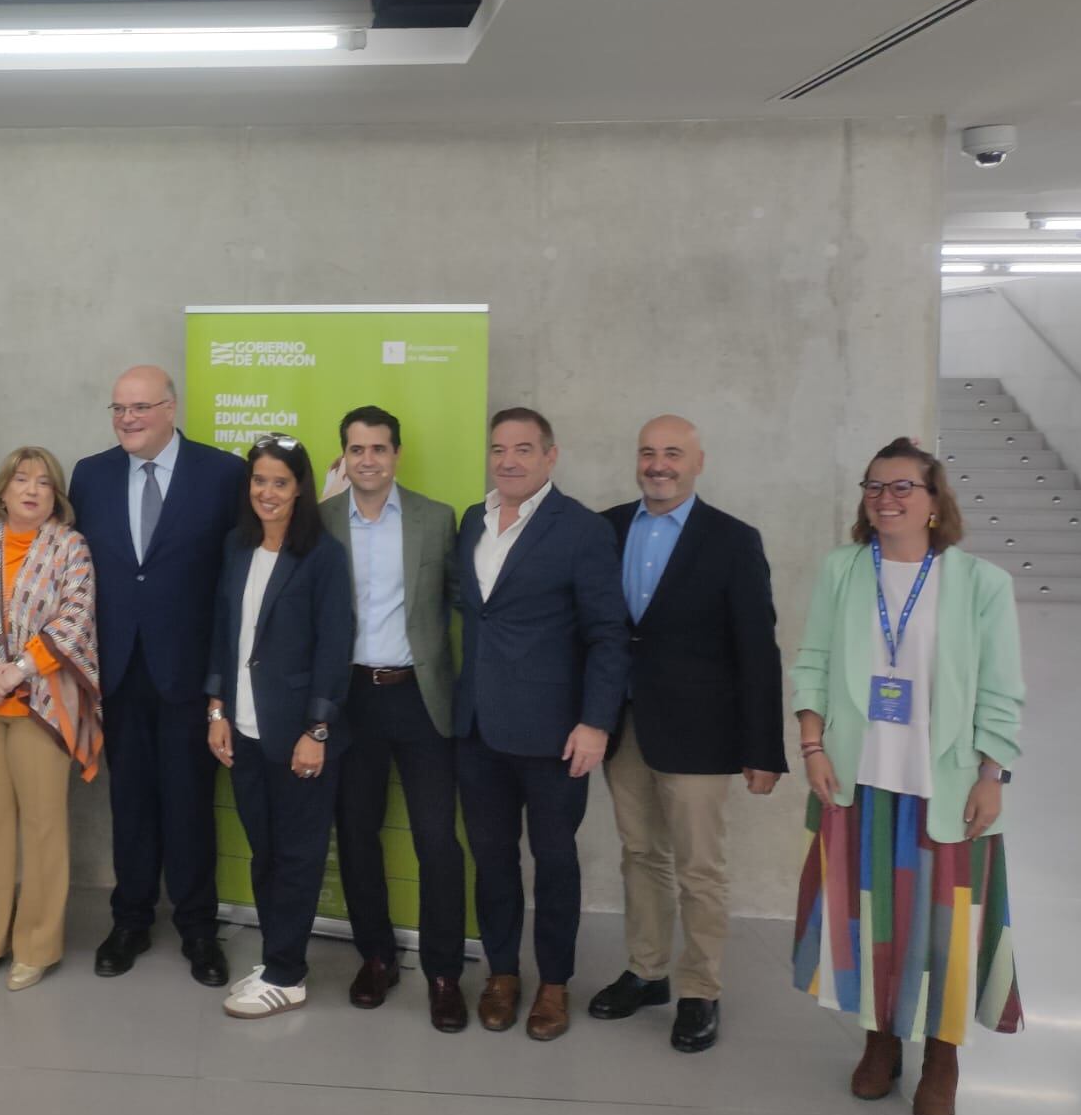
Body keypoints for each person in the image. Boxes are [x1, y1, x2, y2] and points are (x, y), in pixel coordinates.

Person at [790, 437, 1023, 1115]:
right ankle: (880, 1040)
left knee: (948, 930)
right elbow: (812, 661)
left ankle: (942, 1055)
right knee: (871, 923)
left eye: (902, 487)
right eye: (874, 486)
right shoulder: (842, 570)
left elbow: (1001, 689)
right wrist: (812, 745)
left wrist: (993, 774)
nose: (885, 499)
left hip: (945, 787)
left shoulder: (980, 583)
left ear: (933, 502)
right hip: (858, 781)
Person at [588, 415, 786, 1054]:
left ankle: (700, 988)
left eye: (673, 453)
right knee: (640, 853)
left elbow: (758, 649)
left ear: (698, 462)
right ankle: (647, 972)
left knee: (699, 867)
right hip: (624, 725)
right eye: (648, 452)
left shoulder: (732, 540)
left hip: (700, 732)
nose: (658, 464)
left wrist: (763, 747)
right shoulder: (605, 528)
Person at [452, 407, 629, 1042]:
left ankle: (555, 982)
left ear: (550, 456)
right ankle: (503, 972)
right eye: (499, 449)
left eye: (524, 449)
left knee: (554, 861)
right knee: (492, 857)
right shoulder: (472, 520)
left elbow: (608, 635)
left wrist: (595, 722)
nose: (509, 461)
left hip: (555, 734)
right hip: (477, 727)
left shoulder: (581, 529)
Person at [69, 365, 245, 988]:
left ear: (171, 408)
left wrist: (221, 683)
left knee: (190, 804)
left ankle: (198, 928)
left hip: (189, 674)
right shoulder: (90, 475)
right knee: (131, 802)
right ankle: (131, 920)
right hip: (117, 671)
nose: (128, 419)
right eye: (119, 408)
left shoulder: (222, 474)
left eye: (140, 407)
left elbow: (235, 582)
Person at [318, 406, 467, 1031]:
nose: (369, 459)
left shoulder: (437, 518)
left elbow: (464, 603)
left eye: (379, 448)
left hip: (420, 697)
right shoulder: (323, 520)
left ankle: (444, 973)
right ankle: (376, 957)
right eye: (357, 449)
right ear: (344, 457)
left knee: (437, 840)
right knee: (356, 834)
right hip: (351, 697)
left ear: (397, 454)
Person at [0, 446, 103, 990]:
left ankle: (37, 946)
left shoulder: (69, 547)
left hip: (40, 705)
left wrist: (17, 670)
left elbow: (75, 618)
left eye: (44, 483)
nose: (32, 490)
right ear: (2, 490)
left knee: (44, 827)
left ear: (56, 496)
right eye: (22, 480)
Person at [204, 435, 354, 1017]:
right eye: (260, 480)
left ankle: (288, 975)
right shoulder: (237, 546)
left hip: (297, 737)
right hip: (244, 731)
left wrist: (317, 731)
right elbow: (223, 634)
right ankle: (276, 958)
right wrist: (217, 711)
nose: (267, 492)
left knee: (297, 855)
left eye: (280, 482)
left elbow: (334, 647)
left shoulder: (322, 555)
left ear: (300, 489)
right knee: (264, 851)